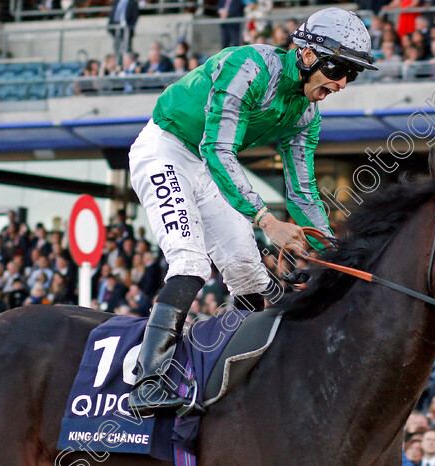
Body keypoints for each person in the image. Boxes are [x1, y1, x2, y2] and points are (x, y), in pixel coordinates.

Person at [125, 7, 377, 416]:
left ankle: (242, 367)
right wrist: (266, 221)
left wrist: (332, 252)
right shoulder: (250, 67)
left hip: (207, 164)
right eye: (341, 69)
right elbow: (216, 149)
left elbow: (302, 190)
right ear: (309, 56)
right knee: (191, 263)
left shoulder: (307, 115)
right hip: (165, 149)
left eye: (354, 74)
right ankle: (147, 382)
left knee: (249, 270)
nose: (343, 83)